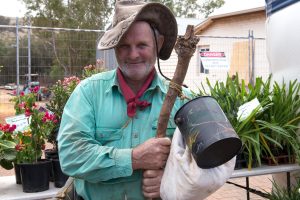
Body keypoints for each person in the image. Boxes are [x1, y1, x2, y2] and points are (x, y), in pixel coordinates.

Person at [58, 1, 234, 199]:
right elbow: (71, 156)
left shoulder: (184, 102)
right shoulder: (89, 93)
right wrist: (134, 159)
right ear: (115, 47)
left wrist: (172, 182)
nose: (133, 54)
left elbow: (216, 165)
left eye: (142, 45)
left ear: (158, 44)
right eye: (124, 46)